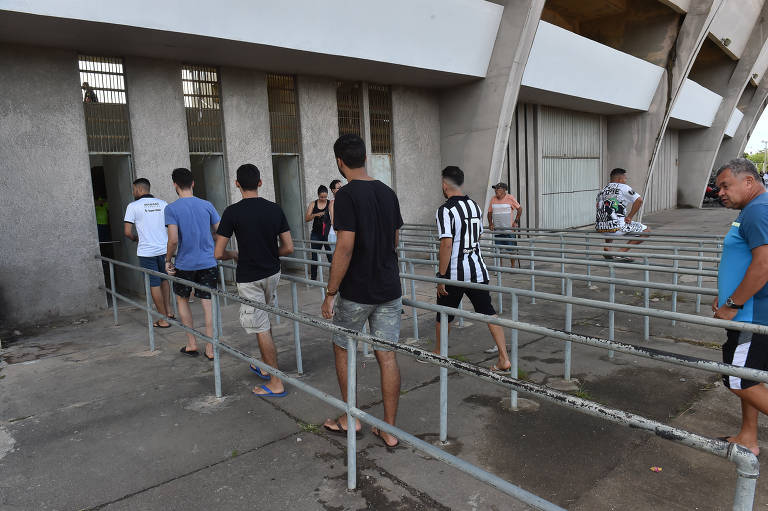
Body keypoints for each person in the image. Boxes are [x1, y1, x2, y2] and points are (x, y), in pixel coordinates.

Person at [321, 134, 403, 448]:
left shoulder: (345, 196)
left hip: (356, 291)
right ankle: (390, 429)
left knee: (343, 347)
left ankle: (350, 417)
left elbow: (344, 247)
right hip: (388, 288)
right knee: (387, 355)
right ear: (365, 157)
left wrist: (331, 292)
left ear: (340, 162)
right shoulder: (387, 192)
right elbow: (394, 239)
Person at [214, 164, 294, 397]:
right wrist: (268, 252)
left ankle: (276, 382)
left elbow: (218, 253)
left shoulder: (232, 212)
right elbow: (288, 247)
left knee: (260, 327)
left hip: (249, 277)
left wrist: (235, 254)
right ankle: (263, 363)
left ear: (237, 184)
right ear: (260, 183)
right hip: (272, 273)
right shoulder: (274, 209)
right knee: (264, 321)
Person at [428, 166, 512, 372]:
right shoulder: (474, 206)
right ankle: (504, 358)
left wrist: (441, 276)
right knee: (488, 312)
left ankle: (440, 353)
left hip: (454, 272)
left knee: (444, 313)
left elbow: (446, 244)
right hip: (477, 269)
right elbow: (478, 235)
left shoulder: (445, 210)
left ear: (444, 184)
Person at [712, 157, 768, 457]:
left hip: (752, 313)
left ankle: (748, 437)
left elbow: (764, 264)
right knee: (752, 375)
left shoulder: (758, 210)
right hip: (748, 308)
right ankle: (748, 437)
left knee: (738, 379)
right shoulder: (753, 209)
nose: (719, 192)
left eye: (725, 185)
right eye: (718, 186)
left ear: (748, 181)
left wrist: (734, 303)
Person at [164, 168, 221, 360]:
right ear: (193, 183)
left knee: (182, 300)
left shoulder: (172, 209)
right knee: (208, 304)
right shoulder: (207, 205)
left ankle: (191, 343)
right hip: (208, 262)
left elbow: (172, 240)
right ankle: (211, 349)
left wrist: (168, 259)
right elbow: (220, 232)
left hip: (185, 265)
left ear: (175, 185)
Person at [124, 178, 172, 328]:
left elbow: (127, 232)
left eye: (133, 189)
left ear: (138, 189)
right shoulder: (163, 204)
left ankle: (163, 319)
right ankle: (169, 312)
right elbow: (171, 226)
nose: (133, 192)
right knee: (164, 280)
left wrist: (135, 238)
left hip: (147, 252)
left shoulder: (133, 206)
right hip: (164, 250)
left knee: (154, 283)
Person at [595, 168, 650, 262]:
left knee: (611, 218)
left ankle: (607, 248)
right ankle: (621, 253)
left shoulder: (602, 190)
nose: (625, 180)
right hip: (617, 228)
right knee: (646, 231)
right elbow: (639, 200)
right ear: (620, 179)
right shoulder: (623, 187)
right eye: (625, 178)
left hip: (601, 228)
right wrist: (630, 216)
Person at [487, 182, 522, 268]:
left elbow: (520, 209)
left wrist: (516, 221)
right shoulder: (493, 199)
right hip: (497, 229)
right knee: (498, 249)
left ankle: (512, 266)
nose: (496, 191)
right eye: (495, 189)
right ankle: (500, 267)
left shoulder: (510, 198)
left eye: (498, 189)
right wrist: (490, 223)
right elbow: (489, 213)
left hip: (509, 229)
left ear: (504, 190)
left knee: (511, 249)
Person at [305, 185, 333, 280]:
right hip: (316, 234)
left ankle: (333, 279)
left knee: (331, 257)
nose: (323, 199)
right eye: (321, 197)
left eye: (325, 197)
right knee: (314, 257)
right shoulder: (313, 204)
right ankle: (313, 279)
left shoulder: (330, 204)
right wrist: (316, 214)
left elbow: (334, 218)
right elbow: (307, 218)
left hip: (327, 234)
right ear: (318, 195)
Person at [328, 179, 343, 245]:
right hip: (335, 235)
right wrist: (339, 237)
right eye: (339, 188)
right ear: (333, 190)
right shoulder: (333, 203)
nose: (341, 189)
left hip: (342, 234)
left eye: (342, 187)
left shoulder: (343, 201)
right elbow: (333, 221)